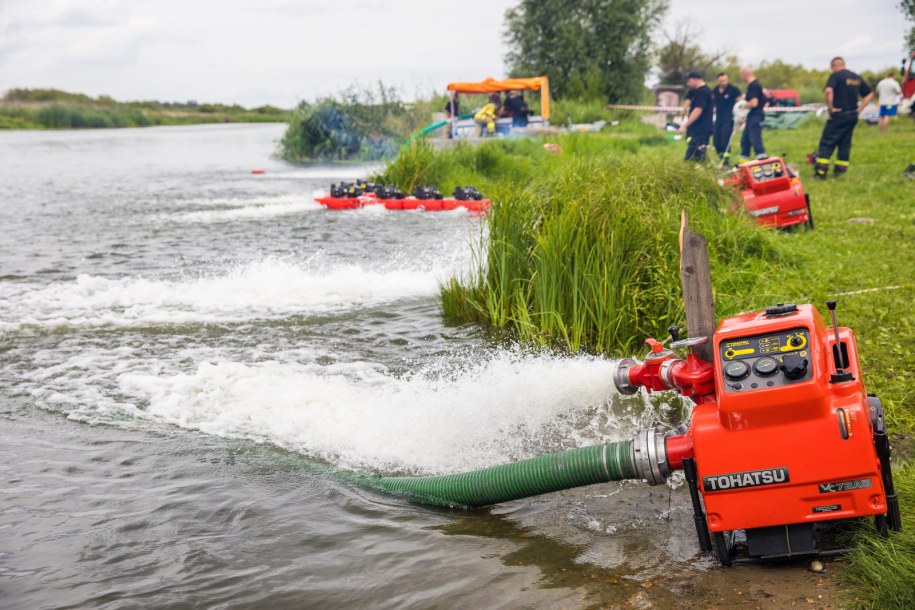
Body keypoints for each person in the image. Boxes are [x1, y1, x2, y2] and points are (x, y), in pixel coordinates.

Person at [814, 57, 874, 178]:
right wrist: (860, 108)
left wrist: (831, 108)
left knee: (827, 142)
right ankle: (840, 172)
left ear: (834, 66)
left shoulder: (836, 76)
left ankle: (821, 172)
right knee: (845, 143)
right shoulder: (856, 77)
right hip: (852, 114)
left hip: (838, 114)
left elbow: (828, 91)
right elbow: (869, 93)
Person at [678, 70, 713, 162]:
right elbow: (688, 100)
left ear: (695, 79)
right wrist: (683, 112)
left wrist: (685, 125)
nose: (687, 83)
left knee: (695, 152)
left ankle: (694, 168)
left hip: (702, 128)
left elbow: (698, 110)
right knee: (693, 147)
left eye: (689, 80)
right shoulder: (694, 90)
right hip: (694, 127)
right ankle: (696, 168)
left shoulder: (704, 92)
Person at [711, 72, 742, 163]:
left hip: (729, 119)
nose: (723, 82)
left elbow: (741, 104)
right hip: (718, 119)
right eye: (721, 81)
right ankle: (720, 157)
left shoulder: (733, 90)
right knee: (716, 142)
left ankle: (726, 161)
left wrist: (740, 117)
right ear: (718, 81)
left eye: (725, 80)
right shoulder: (715, 90)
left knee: (725, 142)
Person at [739, 66, 767, 161]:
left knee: (754, 137)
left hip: (756, 115)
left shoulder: (754, 86)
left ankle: (762, 157)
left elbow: (754, 103)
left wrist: (742, 106)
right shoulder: (752, 85)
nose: (741, 78)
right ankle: (744, 158)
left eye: (741, 75)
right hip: (751, 116)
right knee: (745, 139)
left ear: (745, 74)